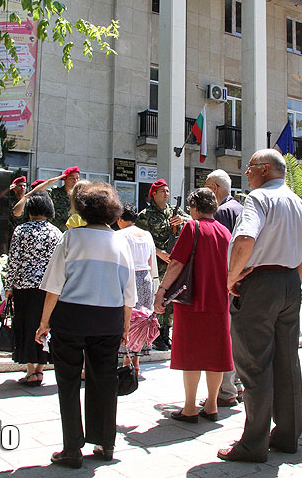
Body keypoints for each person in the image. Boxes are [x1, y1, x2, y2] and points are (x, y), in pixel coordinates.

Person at [218, 149, 302, 463]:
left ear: (266, 169)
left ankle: (253, 443)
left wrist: (231, 279)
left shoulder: (258, 199)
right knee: (287, 363)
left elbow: (245, 239)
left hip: (259, 283)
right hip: (289, 283)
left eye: (250, 168)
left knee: (254, 365)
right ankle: (287, 435)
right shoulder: (300, 204)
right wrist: (293, 286)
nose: (246, 174)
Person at [36, 182, 136, 469]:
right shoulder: (121, 242)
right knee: (104, 380)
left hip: (71, 317)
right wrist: (126, 326)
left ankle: (72, 448)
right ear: (112, 211)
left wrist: (44, 322)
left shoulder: (70, 238)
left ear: (82, 209)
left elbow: (54, 286)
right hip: (109, 319)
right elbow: (128, 291)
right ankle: (105, 442)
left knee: (68, 382)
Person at [153, 188, 233, 423]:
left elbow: (176, 263)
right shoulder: (225, 231)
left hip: (193, 299)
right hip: (218, 300)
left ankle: (189, 407)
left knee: (192, 354)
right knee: (215, 354)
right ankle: (211, 404)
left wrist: (161, 292)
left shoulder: (192, 227)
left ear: (195, 207)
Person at [4, 193, 61, 386]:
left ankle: (30, 370)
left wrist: (9, 286)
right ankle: (40, 369)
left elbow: (13, 260)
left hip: (24, 285)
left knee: (27, 325)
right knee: (44, 324)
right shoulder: (55, 232)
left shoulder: (21, 230)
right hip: (48, 287)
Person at [205, 169, 244, 406]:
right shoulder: (241, 208)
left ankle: (226, 390)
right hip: (243, 281)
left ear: (215, 189)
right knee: (237, 336)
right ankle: (237, 386)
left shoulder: (220, 212)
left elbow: (218, 252)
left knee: (225, 337)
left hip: (226, 282)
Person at [136, 178, 190, 351]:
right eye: (162, 191)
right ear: (153, 194)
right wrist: (159, 252)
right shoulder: (145, 215)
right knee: (157, 297)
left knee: (170, 298)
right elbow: (142, 238)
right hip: (156, 262)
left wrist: (182, 219)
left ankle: (166, 333)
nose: (166, 194)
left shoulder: (173, 212)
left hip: (172, 262)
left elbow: (193, 221)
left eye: (167, 191)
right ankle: (156, 334)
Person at [116, 203, 158, 375]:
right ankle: (136, 360)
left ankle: (126, 359)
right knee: (142, 319)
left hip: (128, 278)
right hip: (146, 278)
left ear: (120, 218)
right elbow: (151, 261)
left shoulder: (119, 235)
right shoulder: (147, 234)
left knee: (128, 319)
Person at [16, 167, 80, 232]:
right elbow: (36, 193)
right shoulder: (55, 193)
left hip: (71, 235)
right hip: (53, 234)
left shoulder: (78, 197)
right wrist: (48, 182)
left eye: (77, 178)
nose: (75, 181)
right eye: (71, 178)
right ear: (64, 179)